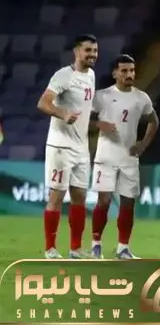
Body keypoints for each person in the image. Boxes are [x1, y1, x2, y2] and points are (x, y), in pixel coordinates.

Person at [89, 54, 159, 259]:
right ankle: (96, 245)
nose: (129, 74)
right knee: (103, 202)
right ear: (115, 73)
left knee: (128, 203)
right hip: (106, 157)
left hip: (129, 159)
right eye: (124, 71)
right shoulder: (101, 96)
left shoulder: (141, 98)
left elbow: (154, 121)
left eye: (132, 70)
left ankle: (123, 248)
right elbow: (82, 120)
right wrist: (98, 124)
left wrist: (143, 144)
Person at [37, 34, 98, 259]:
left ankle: (75, 248)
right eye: (87, 50)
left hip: (81, 147)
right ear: (76, 52)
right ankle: (50, 249)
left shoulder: (91, 75)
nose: (92, 55)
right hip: (61, 146)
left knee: (80, 196)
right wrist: (63, 114)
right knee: (57, 195)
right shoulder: (63, 75)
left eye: (95, 51)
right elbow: (43, 102)